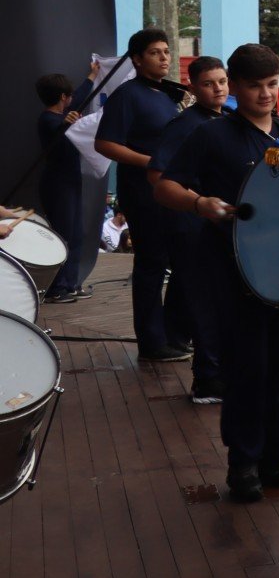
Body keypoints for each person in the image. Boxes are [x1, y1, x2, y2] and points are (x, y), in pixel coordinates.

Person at [153, 45, 279, 502]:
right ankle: (243, 464)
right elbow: (163, 185)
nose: (265, 94)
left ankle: (278, 457)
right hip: (232, 269)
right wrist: (200, 203)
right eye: (255, 86)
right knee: (247, 369)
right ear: (234, 87)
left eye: (272, 84)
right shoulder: (211, 136)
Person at [94, 29, 189, 360]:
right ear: (136, 59)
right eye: (154, 52)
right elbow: (104, 144)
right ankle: (152, 342)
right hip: (141, 192)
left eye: (166, 51)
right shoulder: (127, 95)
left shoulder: (164, 95)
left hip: (170, 190)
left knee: (179, 261)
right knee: (151, 263)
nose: (164, 58)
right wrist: (152, 161)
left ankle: (174, 333)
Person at [147, 56, 228, 404]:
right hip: (189, 225)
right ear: (192, 88)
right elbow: (158, 176)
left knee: (205, 300)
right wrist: (198, 203)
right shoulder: (184, 125)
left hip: (212, 227)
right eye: (209, 83)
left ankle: (211, 369)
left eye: (222, 81)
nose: (218, 89)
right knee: (203, 302)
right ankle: (208, 381)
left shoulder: (224, 121)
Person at [33, 73, 97, 303]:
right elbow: (56, 127)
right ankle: (55, 289)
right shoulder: (49, 120)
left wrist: (91, 76)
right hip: (58, 185)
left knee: (76, 235)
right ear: (63, 97)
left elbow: (78, 97)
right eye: (68, 96)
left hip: (69, 182)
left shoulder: (59, 115)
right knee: (63, 236)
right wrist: (66, 122)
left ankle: (71, 284)